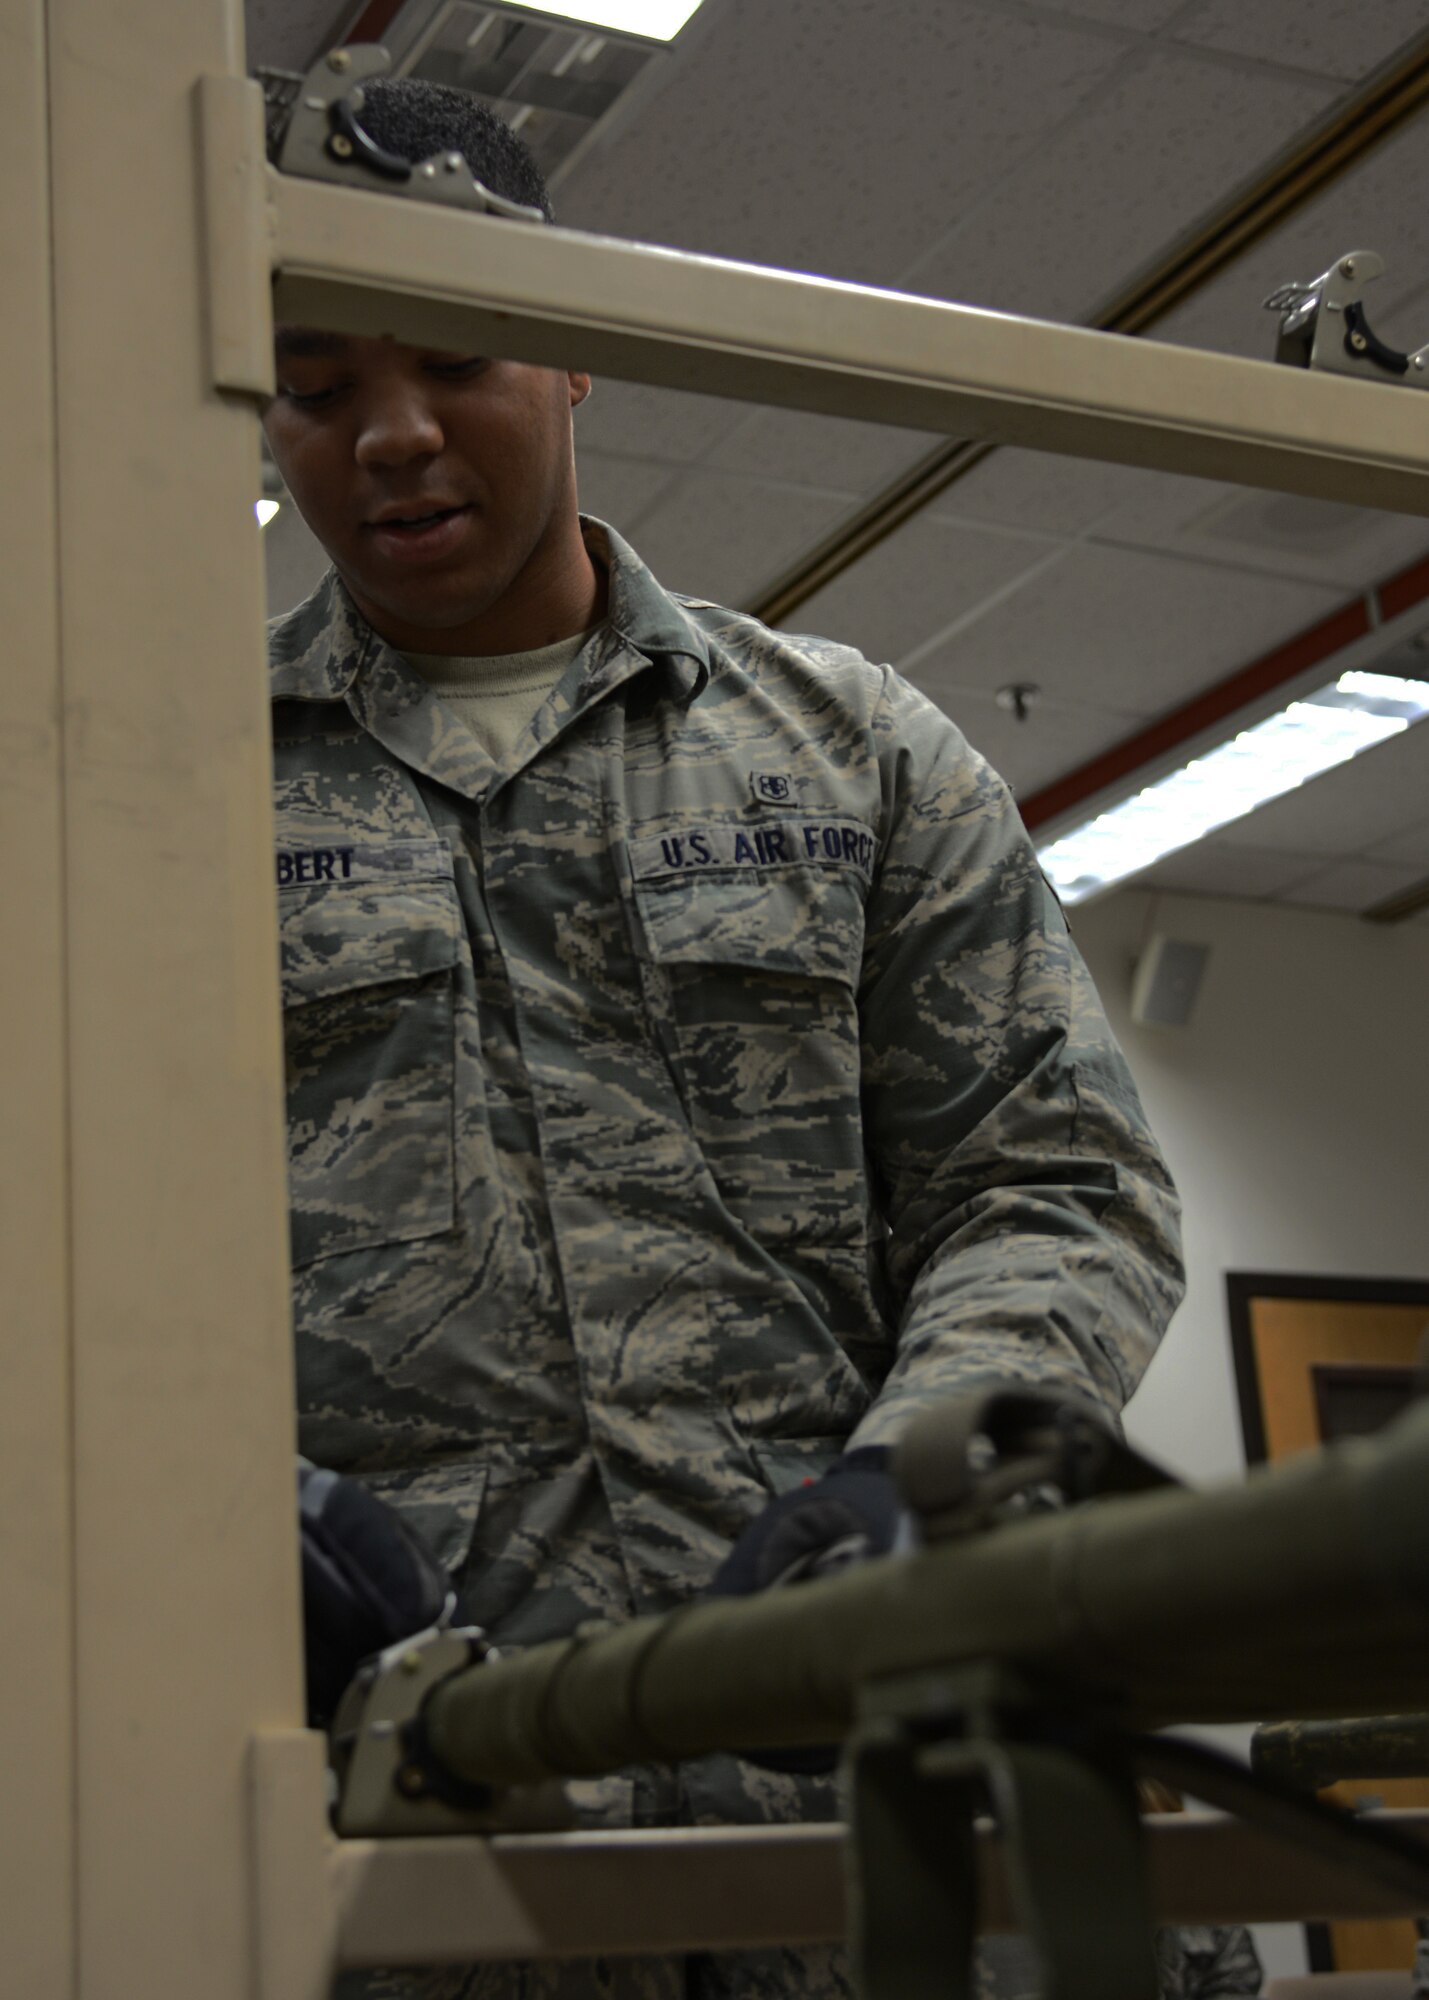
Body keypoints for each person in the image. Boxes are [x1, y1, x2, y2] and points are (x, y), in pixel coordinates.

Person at [263, 76, 1184, 2000]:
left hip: (863, 1801)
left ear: (576, 358)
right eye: (315, 382)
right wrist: (232, 1521)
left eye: (452, 355)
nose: (396, 432)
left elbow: (1055, 1180)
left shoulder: (847, 747)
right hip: (417, 1838)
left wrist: (924, 1483)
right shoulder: (153, 786)